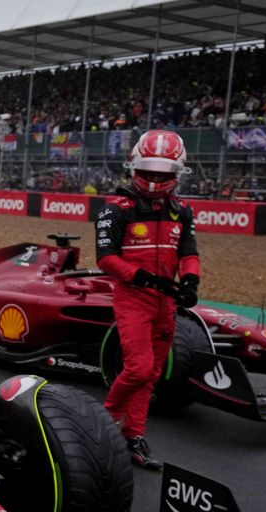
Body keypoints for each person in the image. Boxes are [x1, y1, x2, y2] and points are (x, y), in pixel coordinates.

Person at [95, 129, 200, 468]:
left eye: (163, 173)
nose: (155, 179)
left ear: (176, 172)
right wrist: (140, 277)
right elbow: (105, 258)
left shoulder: (182, 211)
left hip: (165, 302)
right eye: (149, 171)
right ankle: (105, 421)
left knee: (152, 373)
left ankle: (133, 435)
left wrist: (191, 281)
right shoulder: (117, 210)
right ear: (135, 167)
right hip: (132, 298)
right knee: (138, 368)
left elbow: (189, 252)